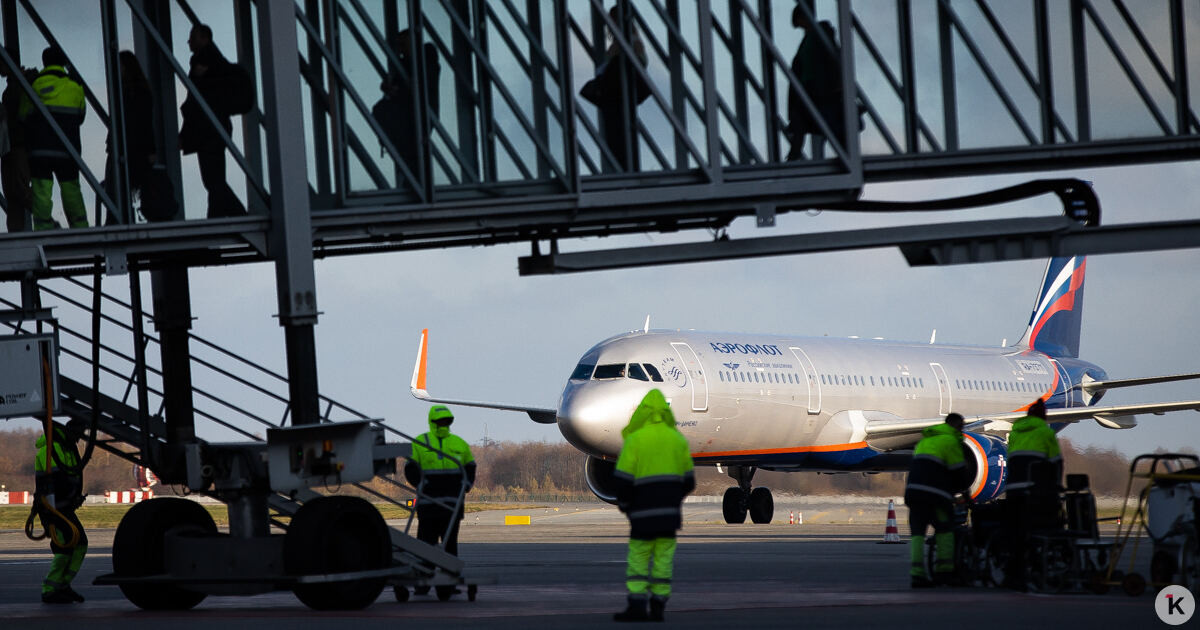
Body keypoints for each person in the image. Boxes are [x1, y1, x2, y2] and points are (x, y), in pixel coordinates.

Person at [611, 389, 695, 622]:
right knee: (663, 561)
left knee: (639, 560)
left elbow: (622, 480)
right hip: (669, 516)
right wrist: (672, 501)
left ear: (641, 413)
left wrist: (626, 505)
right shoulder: (678, 440)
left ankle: (637, 606)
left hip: (642, 515)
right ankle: (658, 607)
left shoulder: (635, 440)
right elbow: (689, 482)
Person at [404, 404, 475, 598]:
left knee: (449, 545)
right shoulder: (421, 442)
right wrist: (420, 483)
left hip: (451, 505)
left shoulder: (459, 443)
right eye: (440, 421)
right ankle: (423, 582)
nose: (443, 424)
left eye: (445, 421)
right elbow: (409, 468)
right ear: (433, 422)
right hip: (429, 505)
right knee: (425, 544)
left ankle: (448, 582)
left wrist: (466, 485)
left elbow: (471, 466)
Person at [179, 23, 247, 219]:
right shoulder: (214, 61)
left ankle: (235, 215)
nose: (189, 41)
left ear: (205, 38)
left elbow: (197, 101)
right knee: (214, 178)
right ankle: (219, 216)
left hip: (208, 130)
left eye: (193, 37)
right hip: (214, 128)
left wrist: (185, 134)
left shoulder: (206, 62)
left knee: (213, 179)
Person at [18, 47, 87, 230]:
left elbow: (23, 115)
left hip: (40, 149)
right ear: (63, 62)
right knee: (71, 190)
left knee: (41, 191)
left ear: (44, 62)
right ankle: (81, 228)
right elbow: (81, 116)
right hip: (67, 149)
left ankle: (43, 231)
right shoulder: (75, 86)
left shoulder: (33, 85)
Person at [580, 5, 650, 173]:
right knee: (618, 140)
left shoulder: (629, 44)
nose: (610, 26)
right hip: (617, 99)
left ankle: (624, 171)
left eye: (613, 21)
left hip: (618, 99)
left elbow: (630, 68)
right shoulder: (623, 44)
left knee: (619, 140)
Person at [1002, 398, 1063, 590]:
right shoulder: (1046, 432)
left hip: (1013, 491)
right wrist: (1056, 486)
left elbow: (1011, 460)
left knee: (1014, 534)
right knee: (1038, 532)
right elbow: (1056, 462)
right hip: (1034, 491)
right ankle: (1036, 569)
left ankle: (1011, 575)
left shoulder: (1015, 433)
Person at [903, 412, 969, 588]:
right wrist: (963, 494)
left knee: (917, 534)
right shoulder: (950, 441)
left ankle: (917, 574)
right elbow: (959, 472)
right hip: (935, 495)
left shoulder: (924, 441)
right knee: (945, 530)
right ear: (957, 426)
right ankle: (944, 572)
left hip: (913, 493)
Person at [372, 29, 440, 189]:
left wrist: (395, 89)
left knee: (414, 153)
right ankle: (416, 184)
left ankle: (417, 184)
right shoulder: (408, 63)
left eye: (403, 45)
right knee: (413, 154)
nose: (401, 50)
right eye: (400, 46)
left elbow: (420, 81)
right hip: (415, 116)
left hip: (419, 116)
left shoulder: (425, 56)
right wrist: (390, 88)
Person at [33, 422, 87, 604]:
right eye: (78, 433)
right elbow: (58, 481)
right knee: (65, 547)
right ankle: (50, 589)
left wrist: (75, 497)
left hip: (65, 508)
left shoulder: (68, 448)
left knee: (80, 543)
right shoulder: (51, 449)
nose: (79, 438)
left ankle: (63, 585)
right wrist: (71, 496)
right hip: (53, 509)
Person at [785, 1, 844, 160]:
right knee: (809, 120)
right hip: (814, 89)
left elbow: (827, 62)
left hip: (819, 90)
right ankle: (794, 153)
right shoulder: (816, 37)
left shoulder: (817, 37)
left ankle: (794, 154)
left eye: (800, 23)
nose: (801, 27)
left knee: (812, 119)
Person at [104, 51, 157, 225]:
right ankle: (121, 220)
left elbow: (143, 123)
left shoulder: (128, 93)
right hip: (132, 148)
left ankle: (117, 221)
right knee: (120, 189)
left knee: (115, 189)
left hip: (128, 147)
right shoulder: (137, 92)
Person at [0, 50, 35, 232]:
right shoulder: (18, 84)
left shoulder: (20, 85)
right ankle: (17, 232)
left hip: (16, 145)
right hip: (12, 145)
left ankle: (44, 219)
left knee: (18, 191)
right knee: (15, 193)